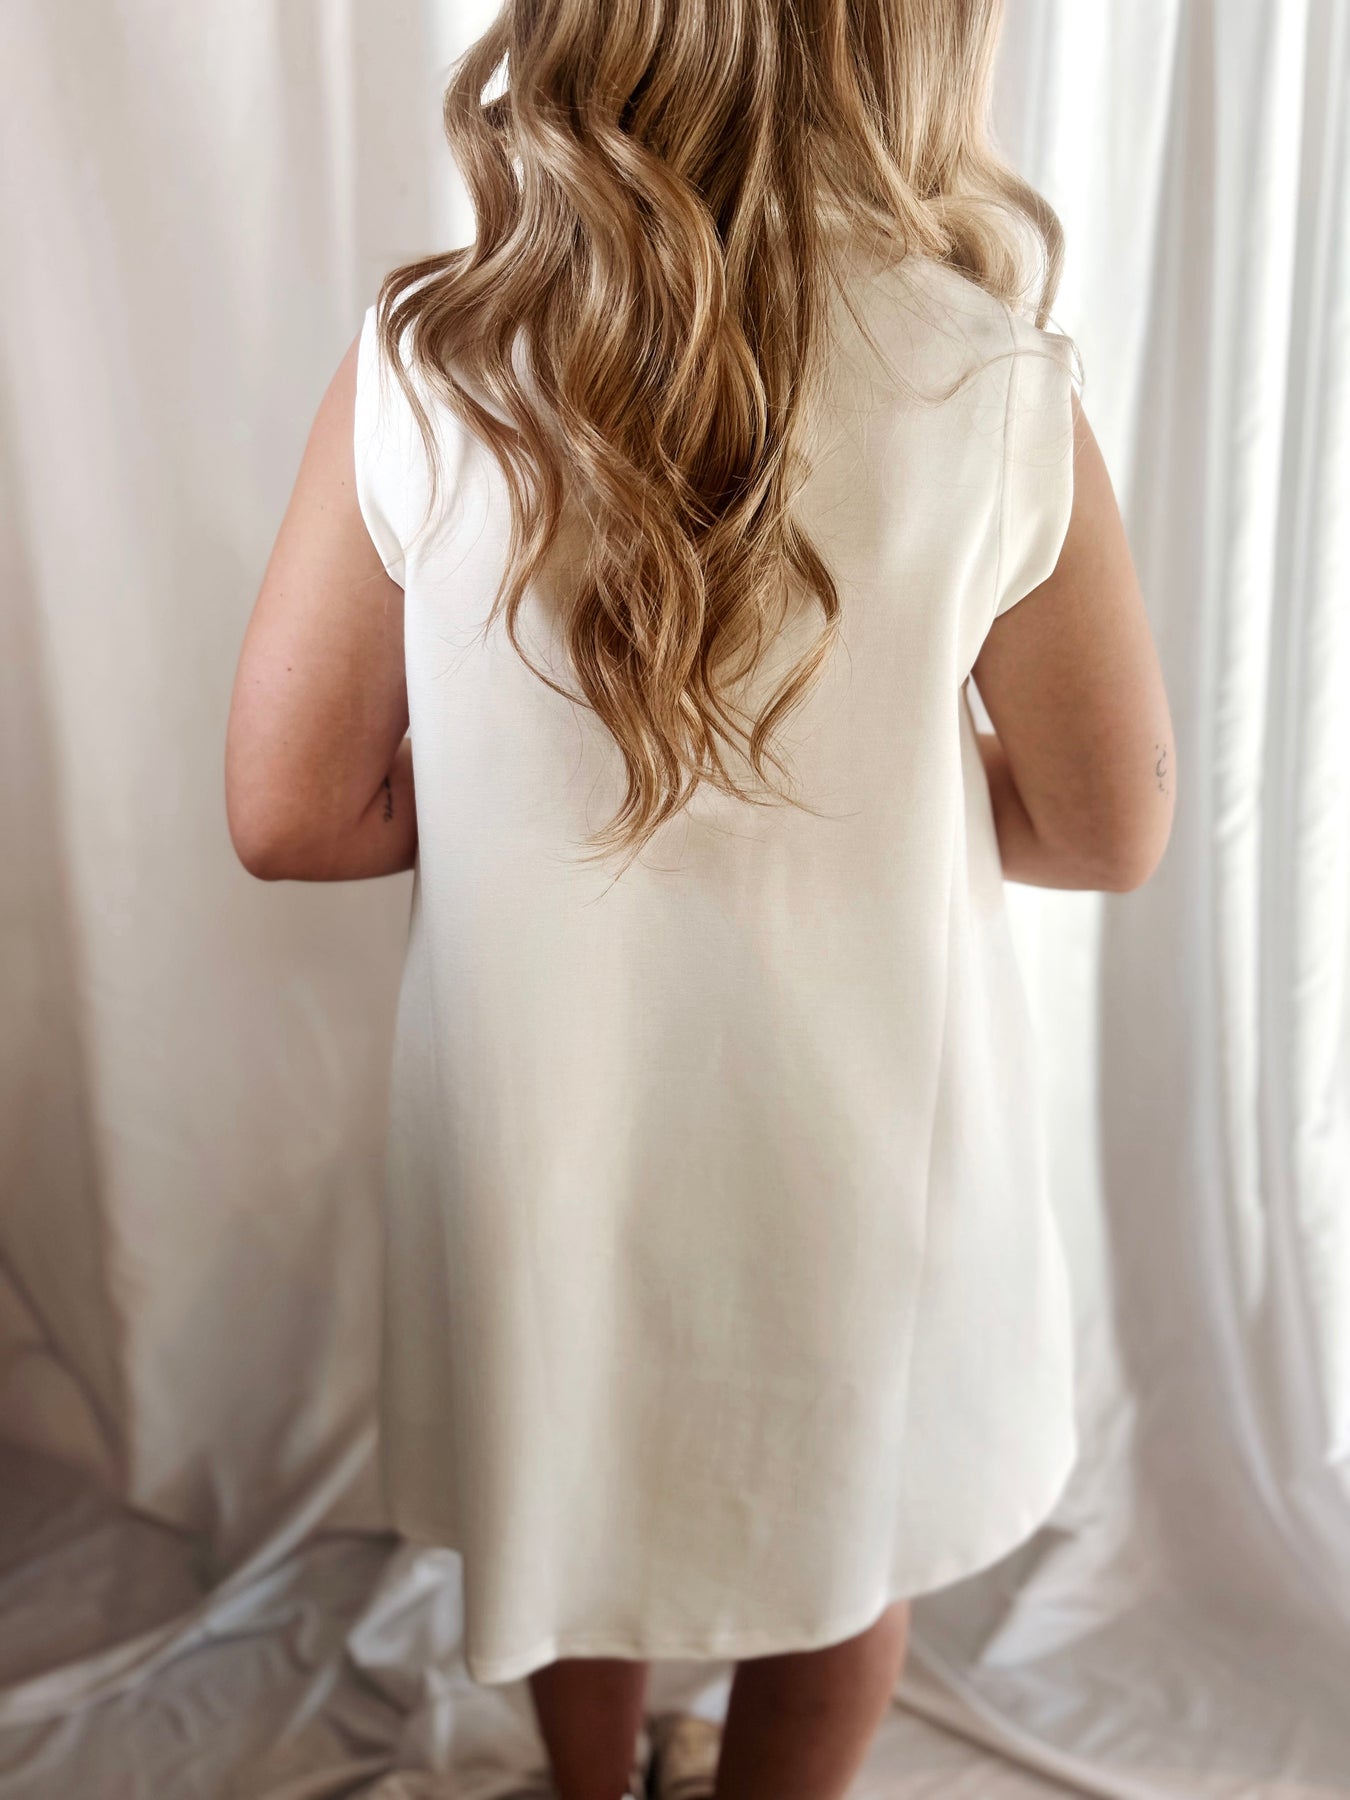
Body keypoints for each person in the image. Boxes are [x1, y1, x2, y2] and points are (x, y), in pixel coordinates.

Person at [224, 0, 1175, 1793]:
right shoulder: (988, 383)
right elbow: (1103, 827)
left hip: (543, 1131)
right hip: (865, 1135)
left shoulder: (432, 361)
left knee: (571, 1481)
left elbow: (290, 812)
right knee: (843, 1548)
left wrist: (524, 786)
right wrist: (873, 789)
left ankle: (593, 1787)